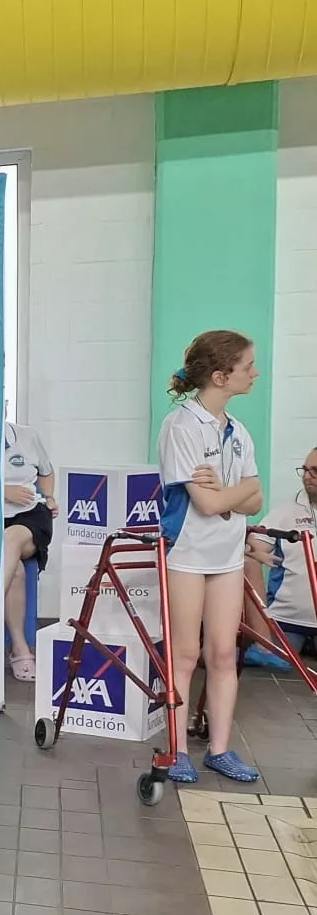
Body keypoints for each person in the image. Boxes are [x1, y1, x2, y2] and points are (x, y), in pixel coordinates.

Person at [158, 331, 264, 785]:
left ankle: (219, 749)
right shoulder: (180, 426)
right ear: (221, 376)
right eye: (248, 366)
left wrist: (225, 492)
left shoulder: (238, 431)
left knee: (222, 654)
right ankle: (177, 749)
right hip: (187, 552)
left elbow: (255, 499)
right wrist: (229, 494)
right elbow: (204, 505)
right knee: (184, 654)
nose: (255, 373)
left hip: (226, 554)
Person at [247, 446, 317, 664]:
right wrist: (254, 552)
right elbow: (254, 546)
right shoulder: (287, 509)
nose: (307, 476)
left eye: (314, 470)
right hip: (287, 620)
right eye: (305, 470)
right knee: (275, 661)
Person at [1, 422, 57, 682]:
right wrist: (3, 491)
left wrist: (49, 497)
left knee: (10, 539)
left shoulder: (27, 435)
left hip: (28, 518)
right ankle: (19, 647)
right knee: (16, 573)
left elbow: (46, 472)